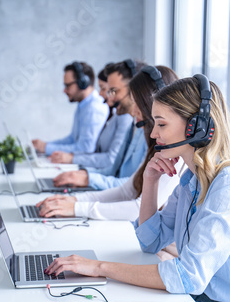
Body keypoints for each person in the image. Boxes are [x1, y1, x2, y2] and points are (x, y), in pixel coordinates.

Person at [45, 75, 230, 302]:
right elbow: (150, 240)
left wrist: (99, 267)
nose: (153, 135)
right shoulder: (192, 178)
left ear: (196, 128)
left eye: (161, 124)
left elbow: (188, 276)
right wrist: (150, 182)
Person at [37, 65, 181, 222]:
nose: (133, 112)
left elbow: (138, 209)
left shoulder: (173, 152)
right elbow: (127, 191)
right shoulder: (153, 140)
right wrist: (76, 200)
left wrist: (78, 207)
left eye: (137, 103)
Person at [51, 59, 148, 190]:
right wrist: (85, 174)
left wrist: (87, 179)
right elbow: (114, 170)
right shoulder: (133, 125)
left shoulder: (150, 133)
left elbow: (135, 187)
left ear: (135, 90)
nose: (109, 98)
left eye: (113, 91)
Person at [49, 64, 133, 169]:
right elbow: (73, 139)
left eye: (106, 89)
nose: (101, 94)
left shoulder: (122, 116)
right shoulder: (115, 115)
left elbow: (109, 159)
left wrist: (72, 160)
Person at [32, 61, 108, 156]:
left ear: (83, 83)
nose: (64, 90)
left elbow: (85, 148)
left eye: (68, 86)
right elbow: (72, 139)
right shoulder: (83, 105)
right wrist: (45, 145)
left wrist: (46, 148)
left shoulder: (94, 108)